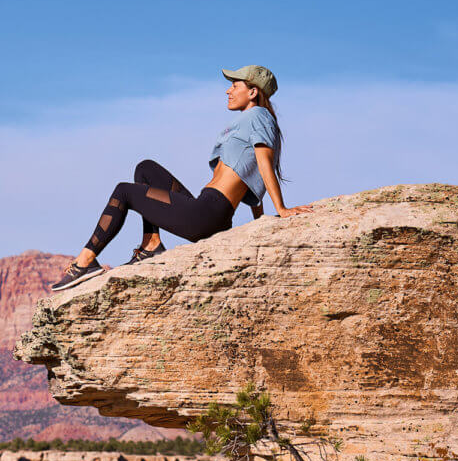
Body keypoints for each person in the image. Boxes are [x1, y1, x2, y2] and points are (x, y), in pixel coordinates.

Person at [50, 65, 312, 292]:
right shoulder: (248, 121)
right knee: (146, 169)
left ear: (253, 92)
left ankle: (84, 262)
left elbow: (263, 162)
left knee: (124, 191)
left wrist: (281, 209)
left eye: (234, 85)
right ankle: (151, 245)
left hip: (208, 213)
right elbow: (252, 173)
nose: (228, 91)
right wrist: (260, 223)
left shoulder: (258, 116)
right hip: (207, 209)